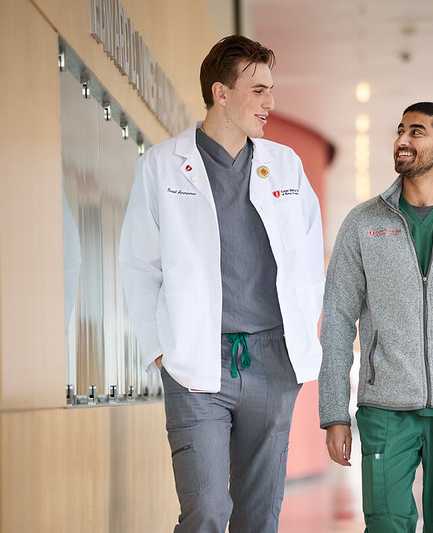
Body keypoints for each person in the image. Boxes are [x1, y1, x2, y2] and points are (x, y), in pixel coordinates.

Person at [119, 35, 324, 533]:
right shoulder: (162, 166)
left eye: (270, 90)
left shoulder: (286, 165)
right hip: (195, 364)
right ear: (222, 93)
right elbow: (138, 265)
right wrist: (161, 350)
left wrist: (300, 333)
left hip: (271, 364)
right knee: (207, 511)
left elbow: (309, 258)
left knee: (259, 516)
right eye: (258, 91)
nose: (269, 103)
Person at [318, 102, 433, 532]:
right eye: (400, 130)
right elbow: (337, 320)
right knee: (385, 524)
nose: (402, 141)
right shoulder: (363, 223)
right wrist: (334, 413)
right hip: (385, 407)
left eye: (416, 132)